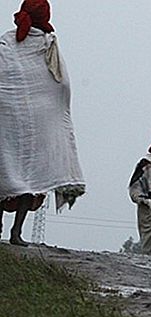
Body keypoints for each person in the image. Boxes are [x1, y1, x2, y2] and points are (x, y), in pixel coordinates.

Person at [0, 0, 85, 246]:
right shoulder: (47, 44)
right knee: (29, 178)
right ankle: (16, 233)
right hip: (36, 128)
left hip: (8, 126)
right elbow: (61, 85)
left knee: (6, 171)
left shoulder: (6, 43)